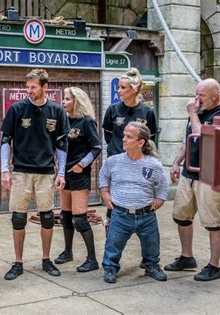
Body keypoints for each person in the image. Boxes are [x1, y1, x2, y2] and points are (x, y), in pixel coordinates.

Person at [0, 69, 70, 280]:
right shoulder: (17, 109)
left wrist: (62, 172)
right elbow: (5, 140)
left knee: (47, 218)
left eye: (33, 87)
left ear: (44, 87)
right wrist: (4, 169)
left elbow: (62, 143)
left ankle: (46, 260)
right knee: (18, 218)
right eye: (27, 86)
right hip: (21, 171)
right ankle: (18, 263)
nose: (28, 91)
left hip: (46, 173)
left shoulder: (57, 111)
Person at [164, 78, 220, 281]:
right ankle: (187, 257)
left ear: (215, 95)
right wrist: (177, 162)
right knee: (181, 216)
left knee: (213, 222)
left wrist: (193, 113)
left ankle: (214, 266)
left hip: (211, 176)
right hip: (189, 172)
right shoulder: (198, 111)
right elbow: (189, 140)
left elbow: (203, 137)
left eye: (201, 96)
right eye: (196, 94)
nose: (197, 99)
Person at [100, 122, 169, 283]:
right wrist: (105, 193)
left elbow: (163, 185)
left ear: (141, 142)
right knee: (113, 244)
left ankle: (151, 266)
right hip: (120, 214)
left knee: (152, 244)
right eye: (124, 135)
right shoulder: (113, 161)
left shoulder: (153, 164)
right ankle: (110, 268)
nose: (123, 139)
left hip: (146, 215)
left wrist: (160, 199)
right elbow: (103, 176)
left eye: (129, 137)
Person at [102, 68, 158, 235]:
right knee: (113, 201)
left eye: (123, 87)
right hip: (117, 162)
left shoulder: (147, 112)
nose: (119, 91)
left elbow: (150, 139)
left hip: (139, 163)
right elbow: (108, 136)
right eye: (118, 87)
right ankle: (111, 235)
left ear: (134, 89)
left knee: (138, 198)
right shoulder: (113, 110)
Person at [54, 87, 102, 272]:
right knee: (65, 216)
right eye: (63, 99)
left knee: (80, 219)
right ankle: (68, 252)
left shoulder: (87, 122)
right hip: (64, 173)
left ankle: (92, 259)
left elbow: (96, 147)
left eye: (67, 99)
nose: (63, 102)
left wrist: (82, 164)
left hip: (79, 174)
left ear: (77, 101)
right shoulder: (64, 121)